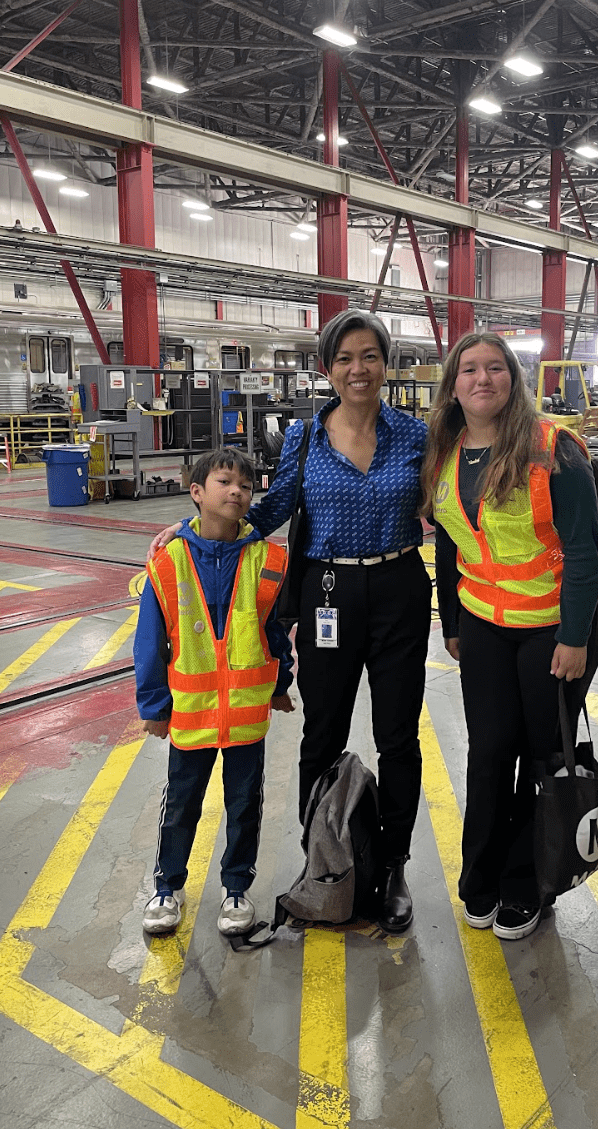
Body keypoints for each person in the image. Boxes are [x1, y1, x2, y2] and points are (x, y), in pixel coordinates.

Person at [150, 310, 431, 933]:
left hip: (398, 589)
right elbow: (272, 508)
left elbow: (451, 503)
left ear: (386, 364)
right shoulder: (305, 438)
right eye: (344, 359)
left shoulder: (415, 435)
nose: (357, 369)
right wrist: (196, 531)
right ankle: (321, 866)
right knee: (321, 735)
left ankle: (392, 869)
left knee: (398, 737)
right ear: (326, 369)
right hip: (328, 592)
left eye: (369, 356)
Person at [420, 333, 598, 942]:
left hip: (555, 630)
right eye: (469, 369)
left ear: (513, 378)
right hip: (483, 626)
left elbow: (583, 553)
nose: (482, 379)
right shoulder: (445, 450)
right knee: (491, 750)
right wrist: (451, 617)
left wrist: (574, 637)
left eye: (495, 368)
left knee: (542, 758)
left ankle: (529, 886)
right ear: (453, 384)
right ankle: (482, 879)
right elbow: (449, 539)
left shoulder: (554, 449)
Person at [136, 448, 295, 937]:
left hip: (246, 715)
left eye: (246, 486)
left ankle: (236, 888)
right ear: (197, 492)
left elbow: (274, 632)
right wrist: (154, 706)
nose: (236, 492)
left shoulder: (268, 561)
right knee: (182, 802)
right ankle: (168, 885)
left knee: (244, 803)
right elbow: (149, 641)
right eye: (225, 482)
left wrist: (280, 686)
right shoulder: (169, 563)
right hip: (190, 713)